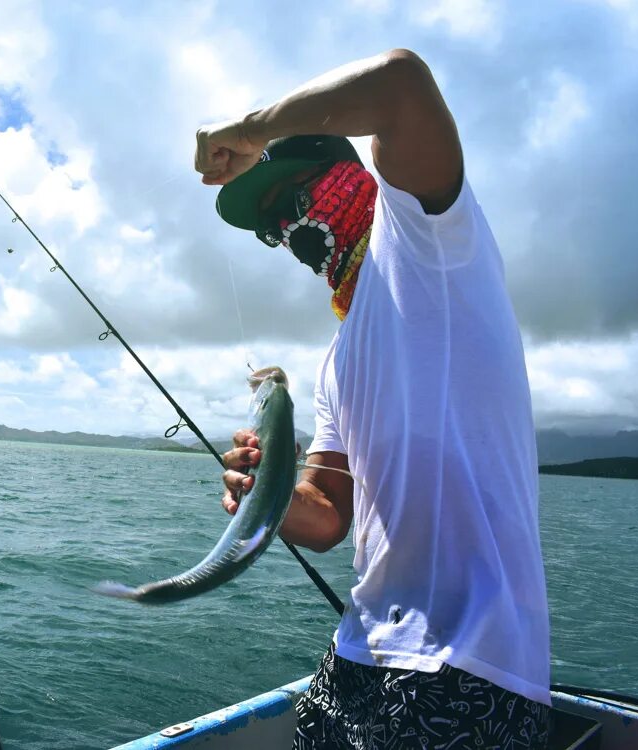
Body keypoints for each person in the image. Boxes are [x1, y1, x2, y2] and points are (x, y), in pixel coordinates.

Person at [194, 49, 550, 749]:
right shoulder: (336, 359)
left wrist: (253, 127)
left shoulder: (428, 238)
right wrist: (266, 490)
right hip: (357, 655)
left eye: (293, 203)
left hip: (469, 666)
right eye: (273, 229)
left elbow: (399, 84)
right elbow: (327, 518)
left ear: (350, 178)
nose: (289, 235)